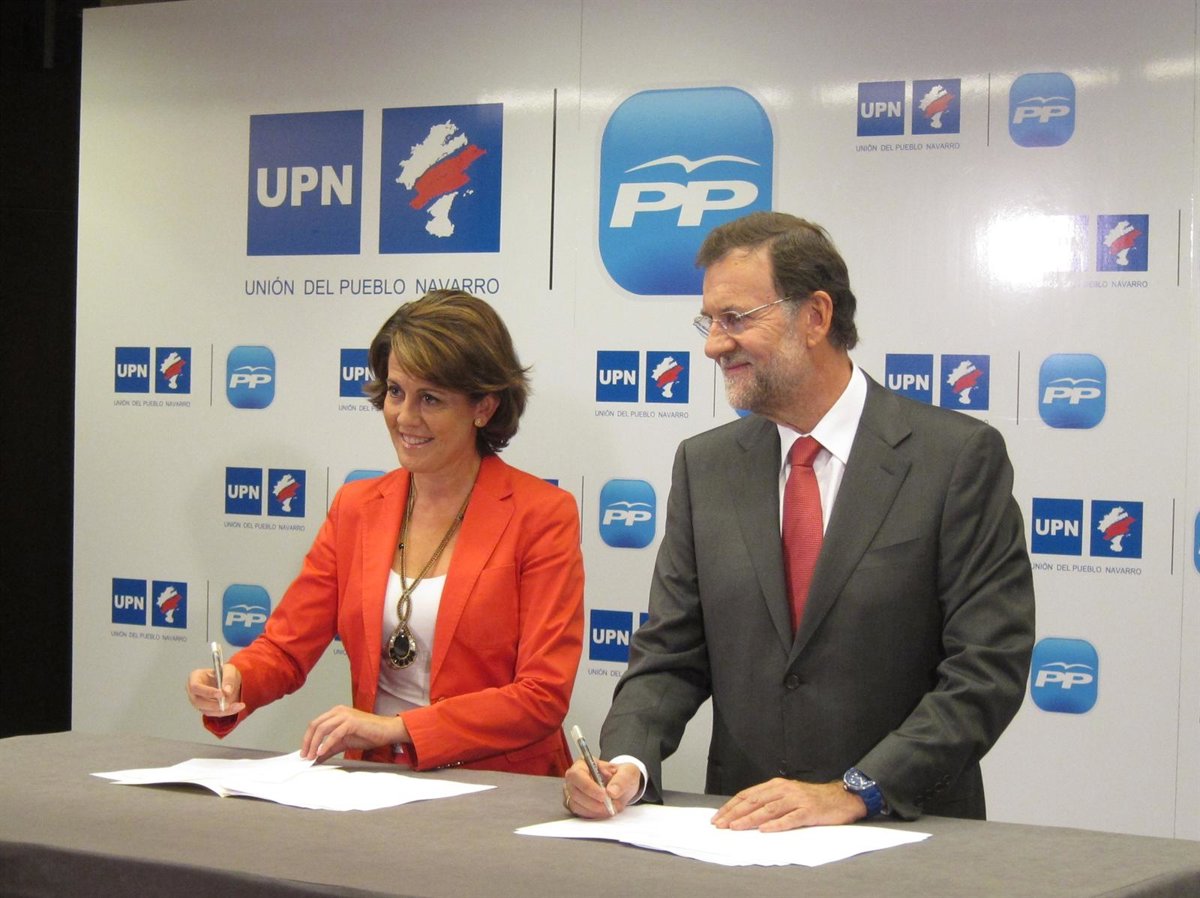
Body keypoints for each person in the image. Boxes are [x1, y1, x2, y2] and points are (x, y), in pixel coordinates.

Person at [564, 211, 1035, 828]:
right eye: (710, 322)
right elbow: (670, 653)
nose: (713, 345)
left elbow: (987, 668)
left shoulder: (955, 459)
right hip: (746, 834)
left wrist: (855, 791)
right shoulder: (706, 467)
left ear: (815, 316)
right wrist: (627, 762)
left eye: (736, 319)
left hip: (906, 836)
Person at [187, 290, 584, 775]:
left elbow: (542, 695)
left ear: (483, 407)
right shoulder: (356, 508)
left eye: (430, 399)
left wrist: (398, 729)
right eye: (396, 392)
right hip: (376, 781)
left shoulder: (542, 515)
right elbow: (286, 648)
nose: (404, 417)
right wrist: (234, 681)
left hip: (499, 786)